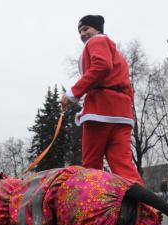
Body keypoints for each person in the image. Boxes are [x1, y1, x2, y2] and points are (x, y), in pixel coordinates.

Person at [61, 15, 143, 185]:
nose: (82, 34)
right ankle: (143, 207)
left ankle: (94, 206)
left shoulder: (96, 41)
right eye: (80, 31)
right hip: (122, 114)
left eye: (86, 29)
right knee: (124, 166)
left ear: (97, 29)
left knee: (92, 166)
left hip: (100, 111)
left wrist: (72, 93)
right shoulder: (117, 54)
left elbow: (101, 66)